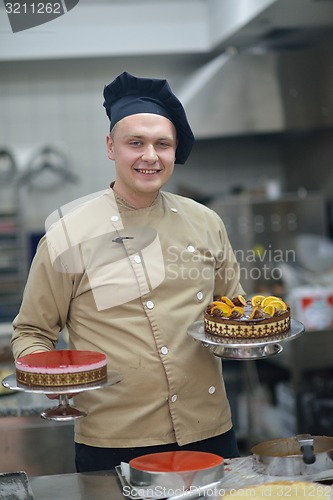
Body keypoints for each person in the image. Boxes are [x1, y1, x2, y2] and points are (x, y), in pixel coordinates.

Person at [11, 71, 245, 472]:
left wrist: (247, 335)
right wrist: (47, 374)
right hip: (115, 439)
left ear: (174, 151)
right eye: (135, 143)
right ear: (111, 147)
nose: (150, 156)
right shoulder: (68, 235)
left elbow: (231, 309)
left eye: (162, 144)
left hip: (208, 429)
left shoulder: (206, 222)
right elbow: (32, 332)